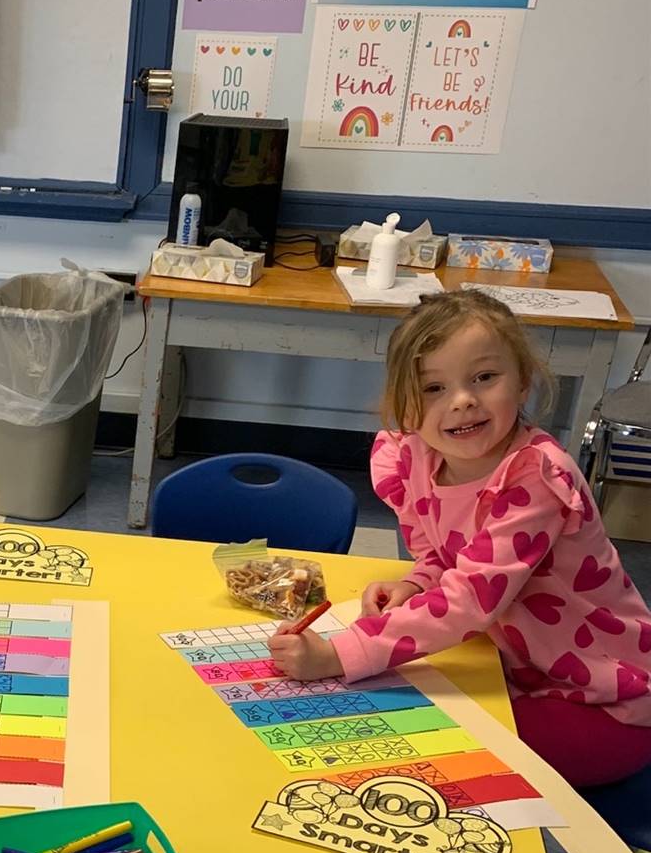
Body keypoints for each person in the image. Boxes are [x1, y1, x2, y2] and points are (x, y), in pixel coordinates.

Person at [268, 289, 651, 787]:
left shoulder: (535, 477)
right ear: (403, 403)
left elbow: (470, 599)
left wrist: (340, 654)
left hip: (609, 703)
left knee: (426, 758)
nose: (463, 400)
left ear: (523, 382)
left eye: (484, 378)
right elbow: (445, 554)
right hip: (514, 672)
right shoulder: (415, 456)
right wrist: (417, 582)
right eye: (433, 388)